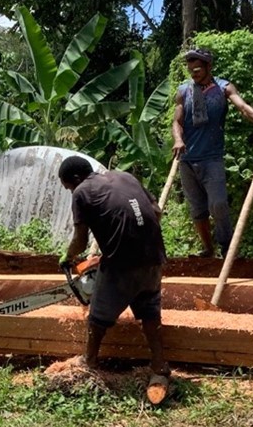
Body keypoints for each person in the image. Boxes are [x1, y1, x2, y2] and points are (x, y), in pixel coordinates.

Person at [58, 155, 169, 377]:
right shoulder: (125, 176)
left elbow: (80, 241)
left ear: (77, 179)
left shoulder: (82, 192)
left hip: (122, 264)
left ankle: (89, 363)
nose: (71, 191)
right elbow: (156, 212)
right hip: (155, 255)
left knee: (98, 317)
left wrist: (67, 256)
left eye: (69, 187)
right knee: (149, 311)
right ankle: (159, 363)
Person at [172, 48, 253, 258]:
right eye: (190, 69)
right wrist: (177, 139)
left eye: (197, 69)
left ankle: (227, 248)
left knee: (219, 204)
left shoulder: (223, 88)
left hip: (212, 157)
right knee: (197, 209)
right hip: (187, 159)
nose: (194, 73)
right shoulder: (184, 91)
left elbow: (243, 107)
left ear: (208, 67)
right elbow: (177, 121)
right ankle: (208, 249)